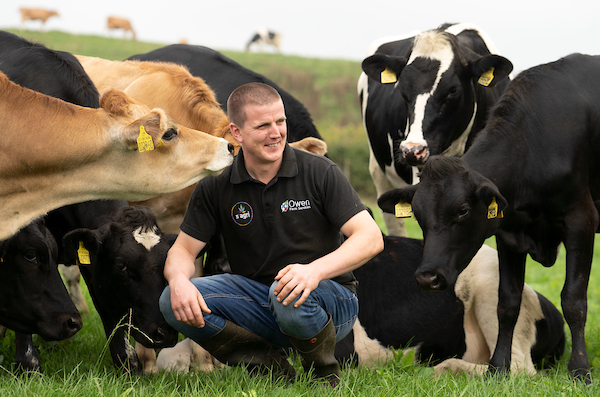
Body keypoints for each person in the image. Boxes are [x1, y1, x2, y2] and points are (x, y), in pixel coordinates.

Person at [159, 82, 383, 386]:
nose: (275, 132)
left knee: (288, 295)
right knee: (170, 301)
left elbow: (370, 237)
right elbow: (184, 251)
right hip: (257, 300)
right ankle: (266, 364)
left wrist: (314, 272)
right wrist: (179, 281)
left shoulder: (319, 172)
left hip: (329, 299)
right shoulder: (217, 185)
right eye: (263, 125)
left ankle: (323, 374)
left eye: (280, 122)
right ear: (237, 132)